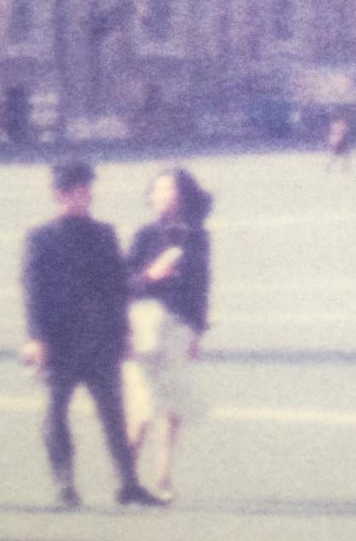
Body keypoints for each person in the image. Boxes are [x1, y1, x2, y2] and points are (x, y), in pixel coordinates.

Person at [20, 160, 163, 509]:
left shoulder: (104, 234)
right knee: (55, 413)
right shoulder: (40, 238)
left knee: (115, 415)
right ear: (59, 195)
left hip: (102, 340)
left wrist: (125, 332)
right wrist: (37, 337)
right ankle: (65, 485)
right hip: (59, 342)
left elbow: (116, 287)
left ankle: (128, 485)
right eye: (76, 190)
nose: (84, 195)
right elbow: (33, 290)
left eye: (86, 189)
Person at [126, 167, 212, 503]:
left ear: (181, 195)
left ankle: (163, 475)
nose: (161, 194)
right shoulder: (144, 236)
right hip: (145, 325)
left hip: (178, 327)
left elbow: (201, 287)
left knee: (173, 404)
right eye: (157, 189)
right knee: (144, 403)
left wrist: (196, 334)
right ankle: (128, 473)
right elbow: (123, 284)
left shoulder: (197, 237)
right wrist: (151, 274)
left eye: (168, 188)